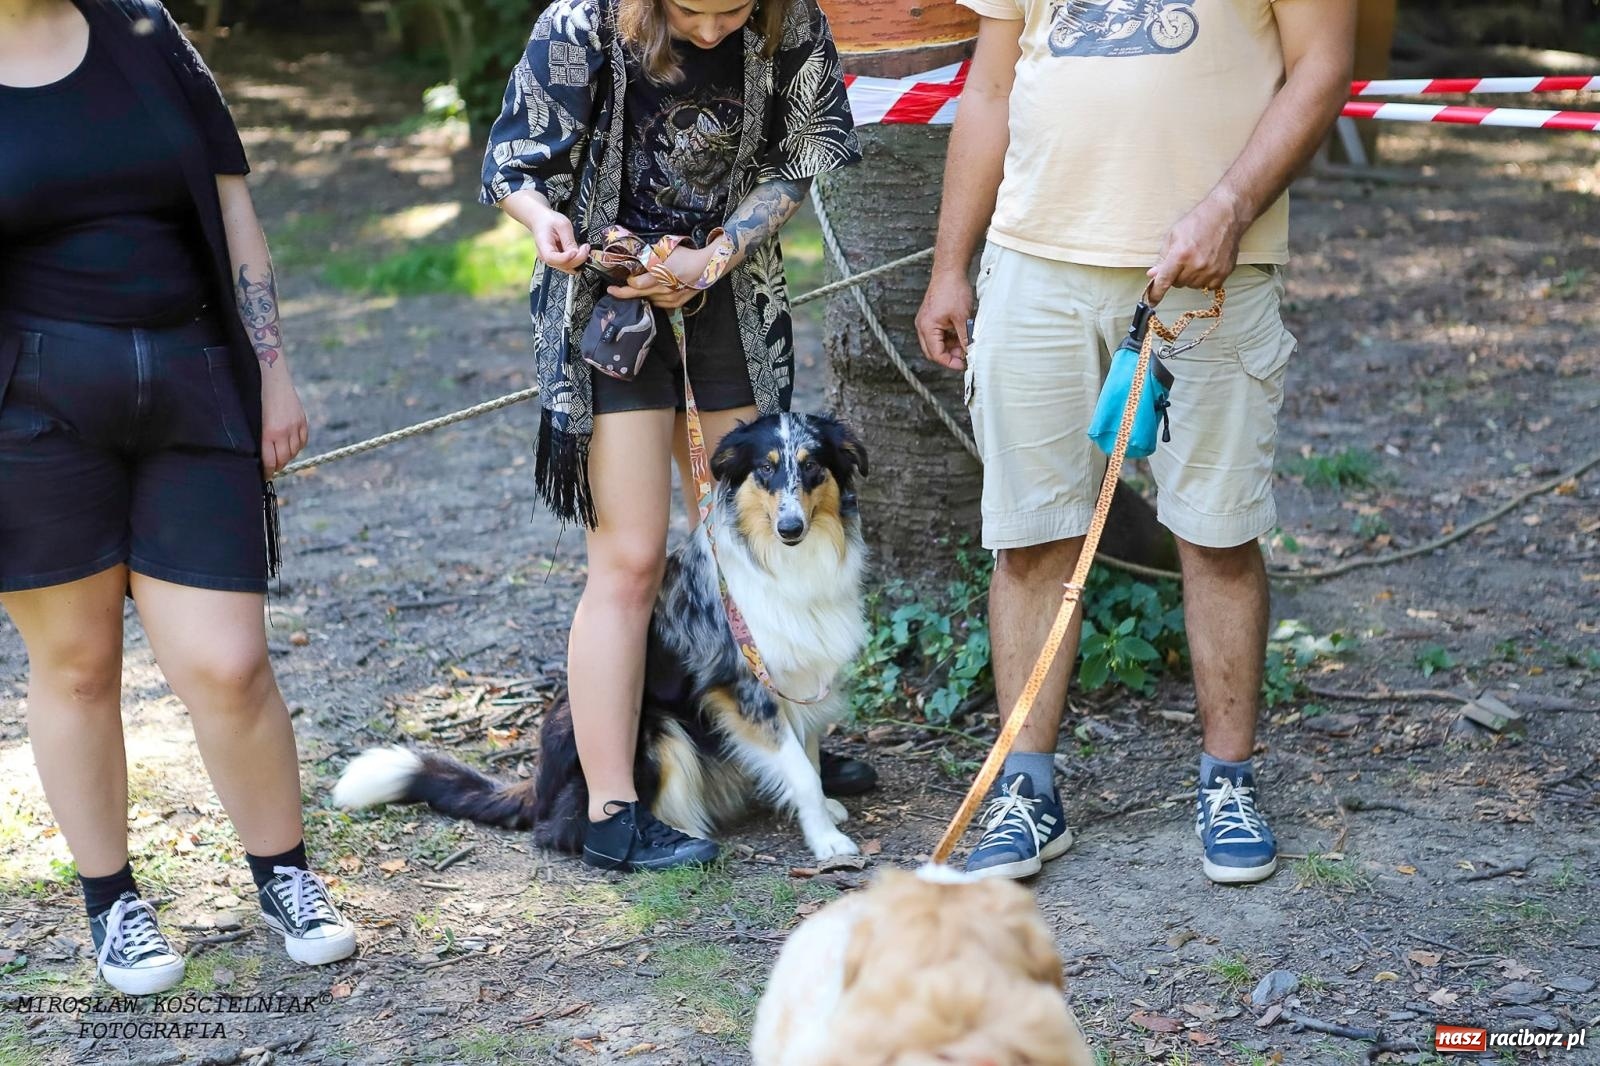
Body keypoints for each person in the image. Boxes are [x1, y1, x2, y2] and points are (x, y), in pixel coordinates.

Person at [916, 0, 1356, 884]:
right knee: (1031, 536)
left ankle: (1228, 781)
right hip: (1035, 265)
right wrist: (949, 265)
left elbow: (1324, 68)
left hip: (1214, 273)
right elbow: (992, 87)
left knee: (1219, 532)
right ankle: (1025, 792)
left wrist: (1229, 207)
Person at [0, 0, 356, 995]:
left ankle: (285, 875)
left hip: (196, 383)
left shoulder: (145, 32)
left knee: (231, 663)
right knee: (75, 666)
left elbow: (233, 205)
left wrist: (272, 370)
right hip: (30, 412)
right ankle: (112, 901)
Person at [481, 0, 868, 872]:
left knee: (750, 541)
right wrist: (543, 222)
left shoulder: (788, 19)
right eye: (693, 9)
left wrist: (719, 252)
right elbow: (513, 162)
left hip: (729, 298)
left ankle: (784, 740)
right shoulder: (580, 27)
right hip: (605, 308)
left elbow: (802, 156)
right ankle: (616, 805)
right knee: (631, 561)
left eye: (735, 10)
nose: (712, 29)